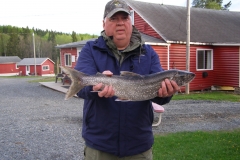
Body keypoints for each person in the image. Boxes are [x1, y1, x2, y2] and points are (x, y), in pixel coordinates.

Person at [74, 0, 179, 159]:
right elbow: (82, 88)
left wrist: (166, 93)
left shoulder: (149, 54)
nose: (120, 23)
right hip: (99, 146)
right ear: (104, 23)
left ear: (131, 22)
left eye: (125, 18)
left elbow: (158, 95)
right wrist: (94, 87)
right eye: (113, 19)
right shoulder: (90, 50)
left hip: (138, 146)